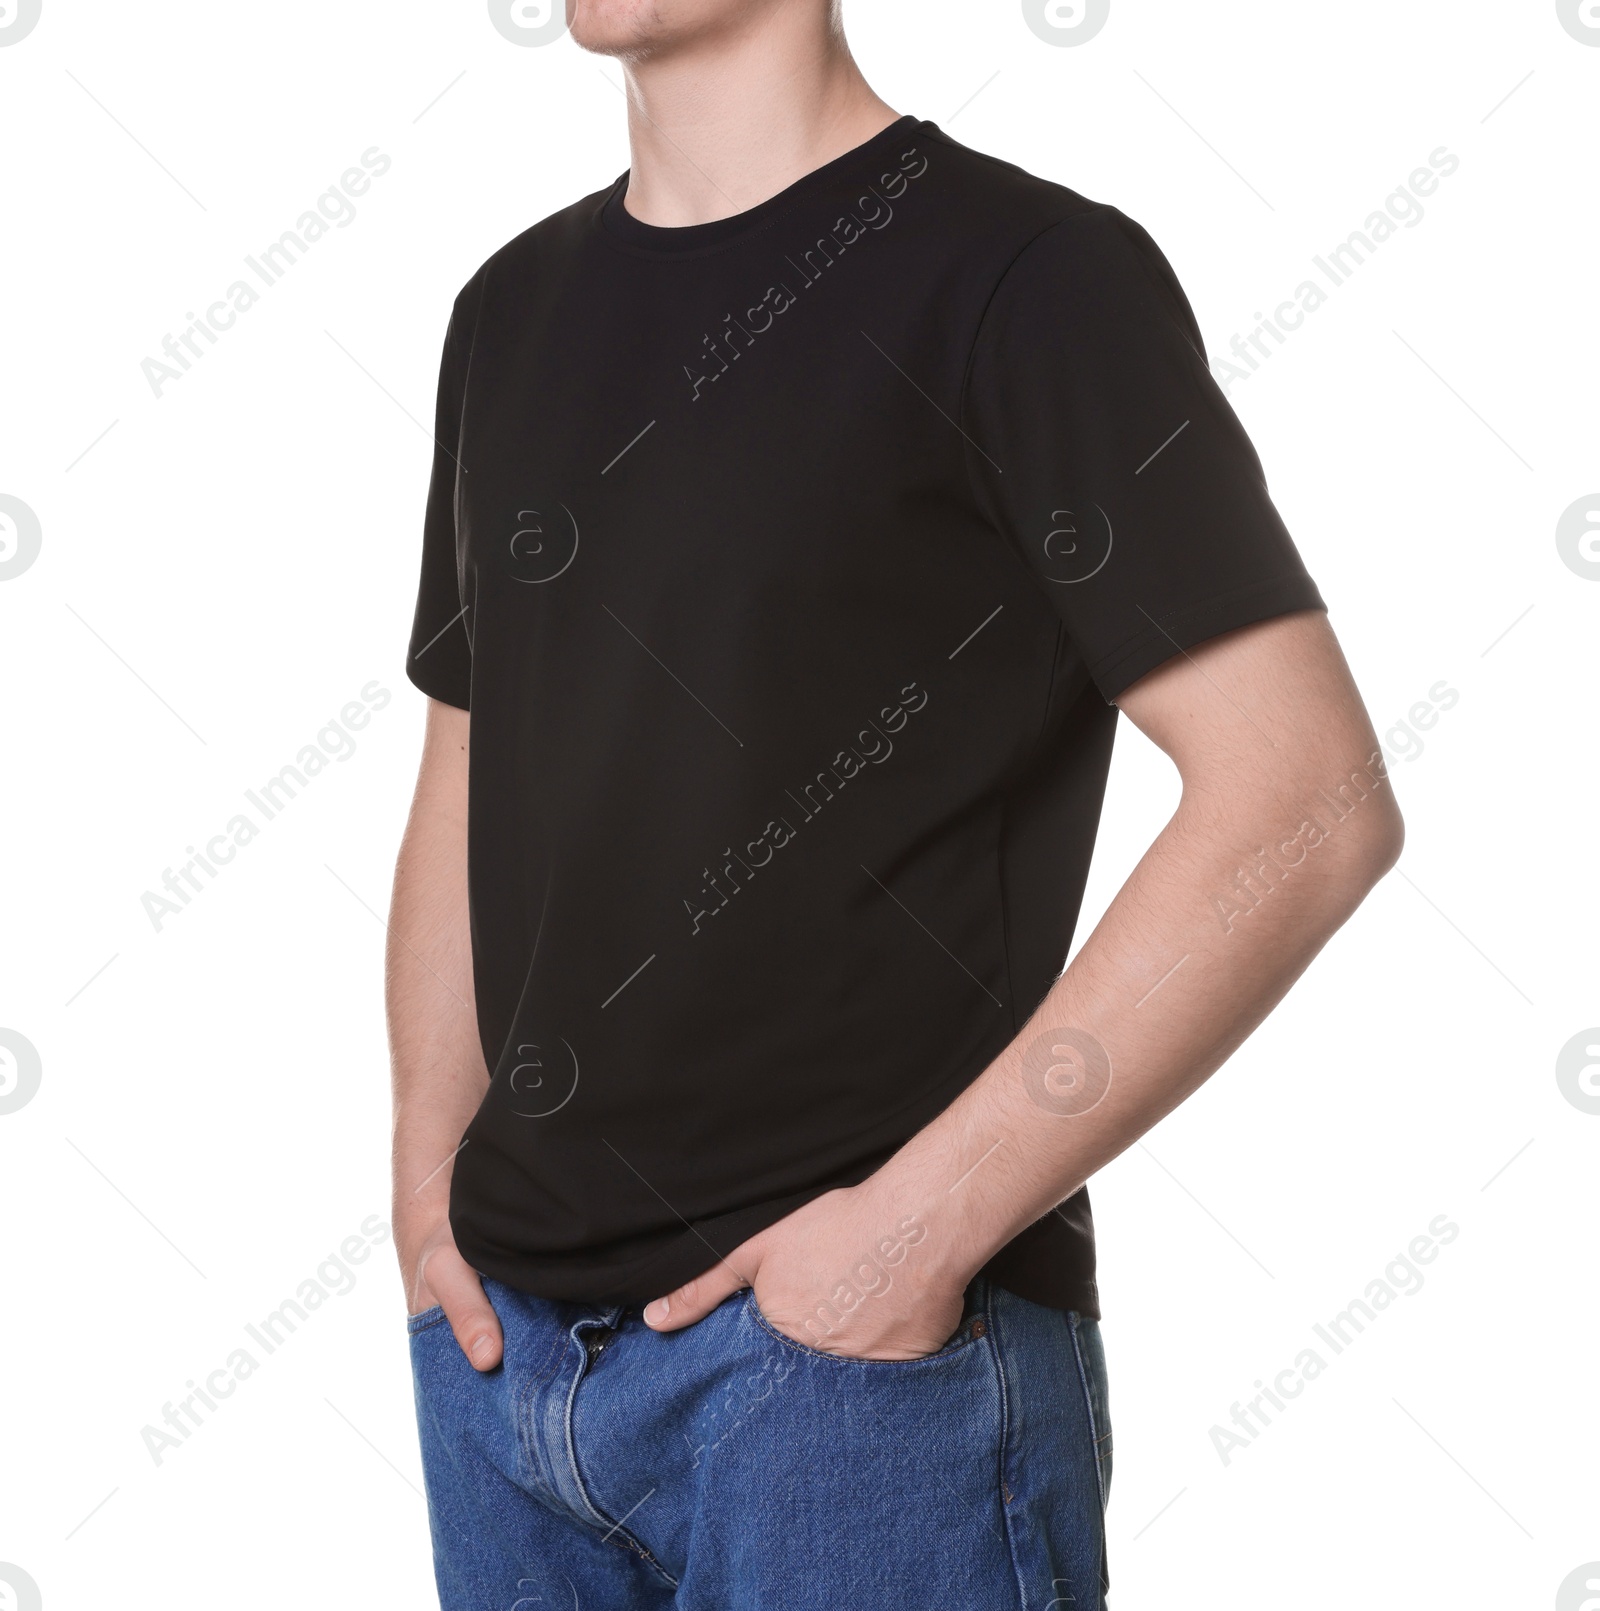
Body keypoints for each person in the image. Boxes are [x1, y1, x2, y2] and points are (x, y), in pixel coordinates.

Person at [387, 2, 1403, 1606]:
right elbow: (468, 766)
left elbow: (1307, 796)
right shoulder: (507, 311)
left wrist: (915, 1238)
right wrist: (425, 1178)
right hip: (500, 1364)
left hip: (856, 1394)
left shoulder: (1029, 279)